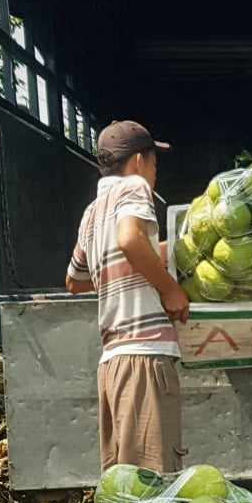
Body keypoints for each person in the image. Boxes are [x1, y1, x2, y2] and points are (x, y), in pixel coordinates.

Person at [66, 120, 191, 475]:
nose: (154, 174)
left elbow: (74, 280)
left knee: (125, 486)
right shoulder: (134, 187)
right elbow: (128, 239)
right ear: (138, 161)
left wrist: (152, 255)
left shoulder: (92, 212)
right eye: (154, 164)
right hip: (144, 360)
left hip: (112, 364)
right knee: (153, 483)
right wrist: (170, 288)